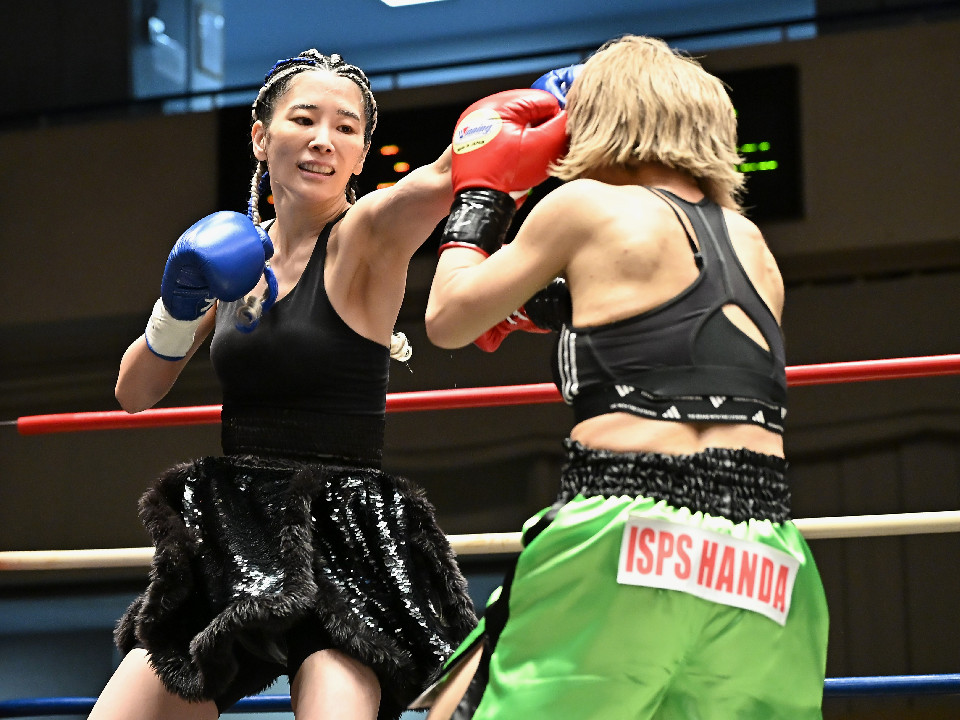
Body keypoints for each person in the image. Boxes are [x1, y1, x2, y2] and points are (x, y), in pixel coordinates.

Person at [421, 35, 829, 719]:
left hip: (627, 522)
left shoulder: (584, 205)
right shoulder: (752, 243)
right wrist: (549, 304)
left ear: (598, 120)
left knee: (456, 705)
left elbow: (447, 318)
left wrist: (484, 193)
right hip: (766, 550)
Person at [87, 49, 490, 720]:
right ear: (260, 137)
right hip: (234, 529)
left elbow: (450, 173)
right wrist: (178, 306)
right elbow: (135, 392)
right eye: (304, 119)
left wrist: (548, 113)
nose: (323, 140)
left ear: (360, 155)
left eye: (346, 128)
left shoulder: (366, 235)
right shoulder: (232, 256)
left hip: (344, 532)